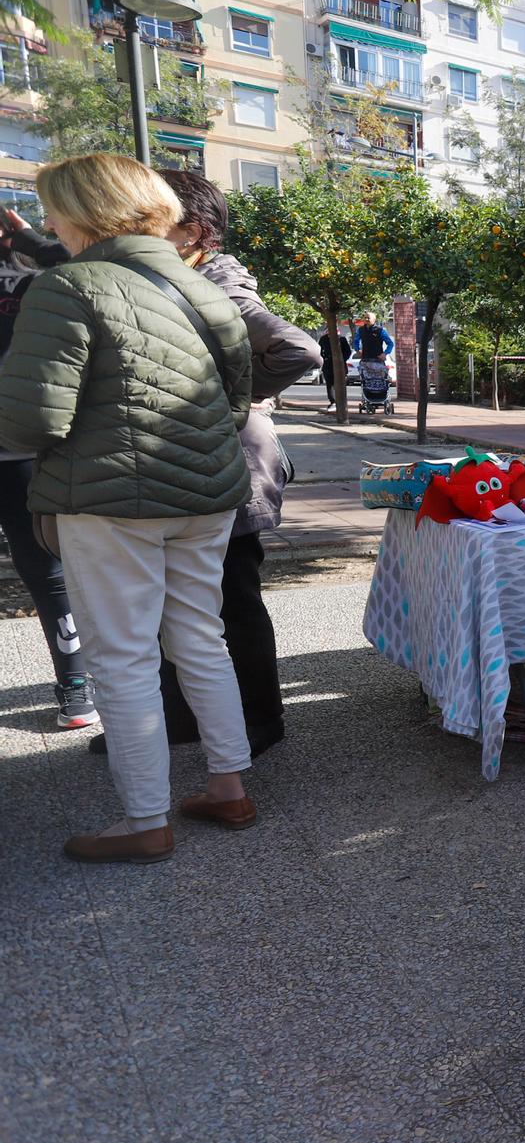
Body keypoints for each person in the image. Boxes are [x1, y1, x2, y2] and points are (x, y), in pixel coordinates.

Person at [0, 154, 253, 865]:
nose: (47, 221)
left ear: (82, 212)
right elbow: (233, 401)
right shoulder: (196, 283)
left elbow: (29, 422)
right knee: (201, 638)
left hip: (110, 500)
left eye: (52, 209)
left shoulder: (67, 287)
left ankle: (145, 819)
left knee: (124, 657)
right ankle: (229, 786)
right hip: (207, 494)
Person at [146, 170, 321, 758]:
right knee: (168, 599)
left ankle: (262, 719)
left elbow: (297, 348)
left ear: (194, 232)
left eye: (152, 219)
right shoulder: (164, 274)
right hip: (179, 462)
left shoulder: (216, 281)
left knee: (233, 595)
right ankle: (180, 720)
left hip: (231, 460)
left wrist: (223, 400)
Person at [0, 210, 96, 729]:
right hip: (21, 445)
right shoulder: (40, 274)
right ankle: (77, 689)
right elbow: (86, 269)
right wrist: (33, 241)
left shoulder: (39, 277)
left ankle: (78, 687)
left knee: (46, 570)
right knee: (46, 570)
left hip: (19, 447)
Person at [317, 325, 350, 408]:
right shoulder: (323, 339)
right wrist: (323, 359)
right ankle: (333, 401)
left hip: (340, 365)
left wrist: (342, 360)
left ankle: (342, 402)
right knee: (330, 384)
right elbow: (319, 351)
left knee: (340, 384)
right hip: (328, 365)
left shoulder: (342, 339)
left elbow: (347, 352)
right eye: (327, 331)